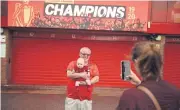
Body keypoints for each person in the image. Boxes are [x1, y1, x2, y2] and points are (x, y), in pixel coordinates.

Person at [116, 42, 180, 110]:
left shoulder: (130, 96)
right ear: (159, 63)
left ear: (137, 62)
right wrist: (140, 83)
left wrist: (141, 85)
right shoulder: (175, 91)